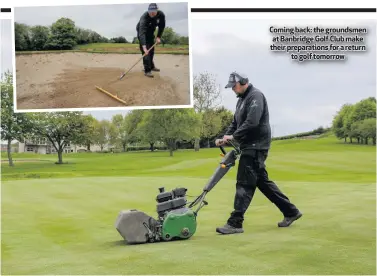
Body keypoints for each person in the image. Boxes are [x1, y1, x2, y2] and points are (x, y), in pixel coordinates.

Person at [215, 72, 303, 235]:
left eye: (234, 86)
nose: (233, 90)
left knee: (244, 183)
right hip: (249, 146)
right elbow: (235, 123)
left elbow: (252, 122)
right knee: (262, 182)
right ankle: (291, 212)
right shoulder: (241, 100)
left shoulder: (256, 96)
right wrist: (224, 138)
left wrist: (234, 137)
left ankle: (235, 222)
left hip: (256, 146)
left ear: (242, 83)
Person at [136, 3, 166, 78]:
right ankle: (147, 70)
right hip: (142, 32)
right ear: (148, 10)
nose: (152, 13)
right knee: (146, 52)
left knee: (151, 50)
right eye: (150, 11)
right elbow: (141, 32)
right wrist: (144, 47)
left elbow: (161, 26)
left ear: (157, 10)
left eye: (154, 11)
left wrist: (158, 37)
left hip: (151, 32)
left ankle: (152, 66)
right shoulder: (144, 17)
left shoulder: (161, 15)